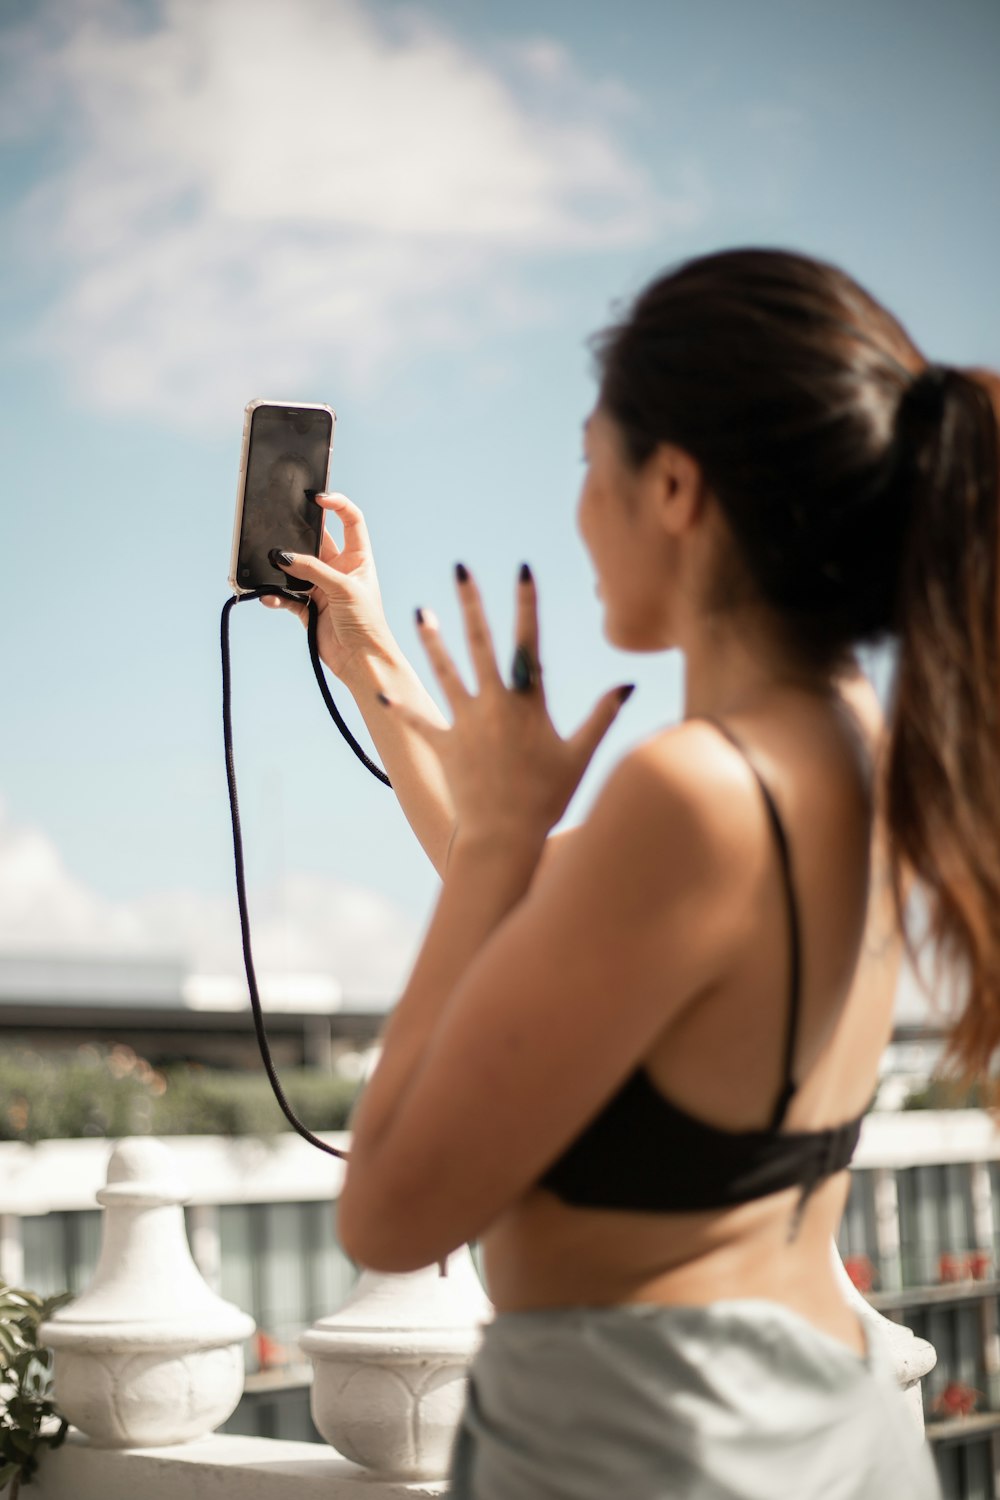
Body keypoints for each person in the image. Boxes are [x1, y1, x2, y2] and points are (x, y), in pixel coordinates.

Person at [262, 247, 1000, 1497]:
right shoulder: (857, 755)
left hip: (649, 1455)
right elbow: (557, 921)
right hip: (796, 1434)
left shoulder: (696, 794)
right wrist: (372, 659)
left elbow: (389, 1216)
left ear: (672, 485)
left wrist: (500, 838)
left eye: (586, 458)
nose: (576, 507)